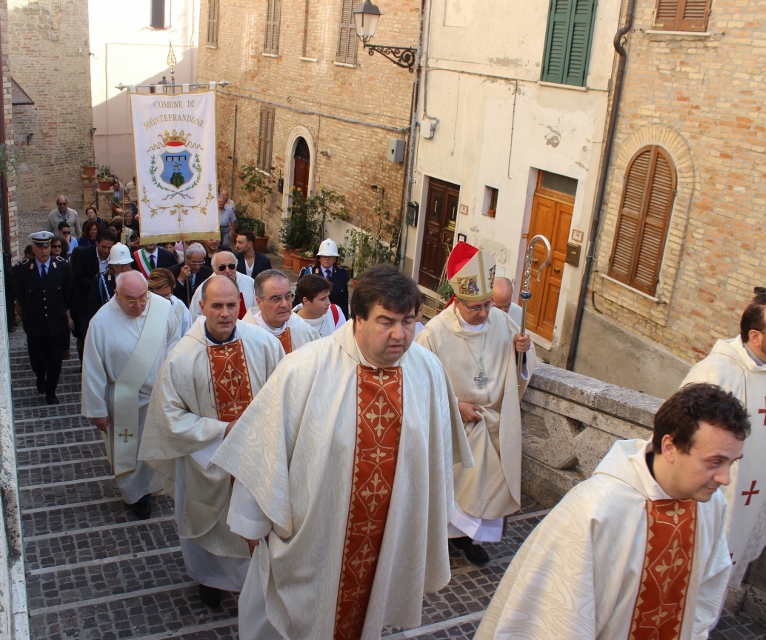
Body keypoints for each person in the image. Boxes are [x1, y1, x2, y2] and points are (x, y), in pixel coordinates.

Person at [212, 264, 472, 640]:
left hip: (386, 534)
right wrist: (252, 526)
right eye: (386, 321)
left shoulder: (427, 370)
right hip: (315, 539)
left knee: (366, 616)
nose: (400, 334)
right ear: (358, 319)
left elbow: (436, 458)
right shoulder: (304, 369)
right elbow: (263, 452)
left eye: (408, 321)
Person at [475, 383, 750, 639]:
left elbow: (709, 586)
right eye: (715, 462)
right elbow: (555, 619)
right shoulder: (594, 510)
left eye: (732, 462)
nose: (725, 478)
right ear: (670, 447)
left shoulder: (711, 504)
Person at [139, 275, 284, 609]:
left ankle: (255, 585)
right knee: (210, 525)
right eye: (216, 305)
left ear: (241, 305)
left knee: (256, 522)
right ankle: (209, 580)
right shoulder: (181, 358)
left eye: (232, 305)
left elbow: (283, 395)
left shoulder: (263, 344)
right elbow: (169, 417)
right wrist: (221, 429)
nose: (225, 313)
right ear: (201, 307)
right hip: (207, 460)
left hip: (255, 457)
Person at [415, 242, 535, 566]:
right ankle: (442, 541)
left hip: (492, 420)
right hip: (452, 422)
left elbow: (521, 369)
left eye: (487, 305)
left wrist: (522, 351)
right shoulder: (433, 334)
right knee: (453, 486)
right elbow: (417, 382)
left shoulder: (502, 323)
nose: (484, 313)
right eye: (476, 307)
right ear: (457, 301)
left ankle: (470, 540)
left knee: (486, 484)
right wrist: (455, 406)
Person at [680, 291, 766, 588]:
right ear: (755, 336)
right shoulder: (715, 371)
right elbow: (679, 436)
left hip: (754, 500)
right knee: (691, 574)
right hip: (711, 499)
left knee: (720, 579)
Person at [82, 271, 179, 519]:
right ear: (117, 294)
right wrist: (97, 409)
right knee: (130, 450)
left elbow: (174, 342)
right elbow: (93, 368)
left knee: (156, 444)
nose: (138, 306)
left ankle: (155, 485)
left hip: (158, 395)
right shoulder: (101, 322)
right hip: (124, 399)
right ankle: (136, 495)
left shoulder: (161, 309)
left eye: (143, 298)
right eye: (131, 300)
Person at [13, 231, 73, 404]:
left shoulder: (62, 266)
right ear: (33, 248)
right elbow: (21, 294)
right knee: (37, 359)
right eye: (40, 247)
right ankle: (40, 376)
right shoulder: (23, 269)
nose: (44, 251)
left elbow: (68, 292)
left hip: (56, 323)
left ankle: (51, 392)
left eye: (47, 247)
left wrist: (66, 314)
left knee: (55, 359)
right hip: (35, 323)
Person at [241, 270, 319, 353]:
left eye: (288, 296)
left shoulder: (300, 326)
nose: (284, 304)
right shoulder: (245, 336)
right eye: (276, 299)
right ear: (259, 302)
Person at [70, 230, 118, 360]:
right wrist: (99, 283)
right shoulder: (84, 254)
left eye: (109, 248)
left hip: (109, 304)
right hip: (86, 303)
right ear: (97, 243)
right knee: (86, 336)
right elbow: (78, 277)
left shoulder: (116, 256)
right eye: (103, 247)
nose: (106, 251)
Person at [491, 276, 538, 397]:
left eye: (507, 306)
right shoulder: (482, 313)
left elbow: (527, 354)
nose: (503, 311)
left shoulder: (518, 313)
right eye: (498, 307)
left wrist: (522, 348)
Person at [188, 251, 255, 321]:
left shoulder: (249, 283)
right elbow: (195, 318)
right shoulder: (203, 289)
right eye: (222, 267)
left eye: (231, 266)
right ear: (214, 269)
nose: (227, 270)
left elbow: (256, 312)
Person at [296, 238, 350, 318]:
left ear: (335, 258)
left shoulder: (342, 273)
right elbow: (299, 296)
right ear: (319, 258)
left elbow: (344, 300)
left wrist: (344, 320)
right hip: (313, 316)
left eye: (330, 256)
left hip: (334, 316)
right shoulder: (308, 271)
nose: (327, 259)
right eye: (324, 256)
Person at [87, 243, 134, 321]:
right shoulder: (101, 279)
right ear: (112, 264)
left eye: (127, 264)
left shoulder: (136, 278)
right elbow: (93, 308)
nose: (124, 268)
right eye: (120, 265)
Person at [292, 274, 346, 338]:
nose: (329, 303)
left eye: (328, 296)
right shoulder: (291, 325)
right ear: (306, 301)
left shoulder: (335, 312)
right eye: (323, 299)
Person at [148, 268, 193, 339]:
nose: (163, 300)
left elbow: (188, 334)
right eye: (159, 296)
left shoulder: (179, 307)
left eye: (167, 295)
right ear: (150, 291)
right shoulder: (143, 308)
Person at [170, 243, 213, 307]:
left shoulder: (208, 273)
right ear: (186, 258)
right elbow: (170, 295)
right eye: (194, 262)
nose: (197, 267)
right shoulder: (173, 271)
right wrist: (180, 280)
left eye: (201, 262)